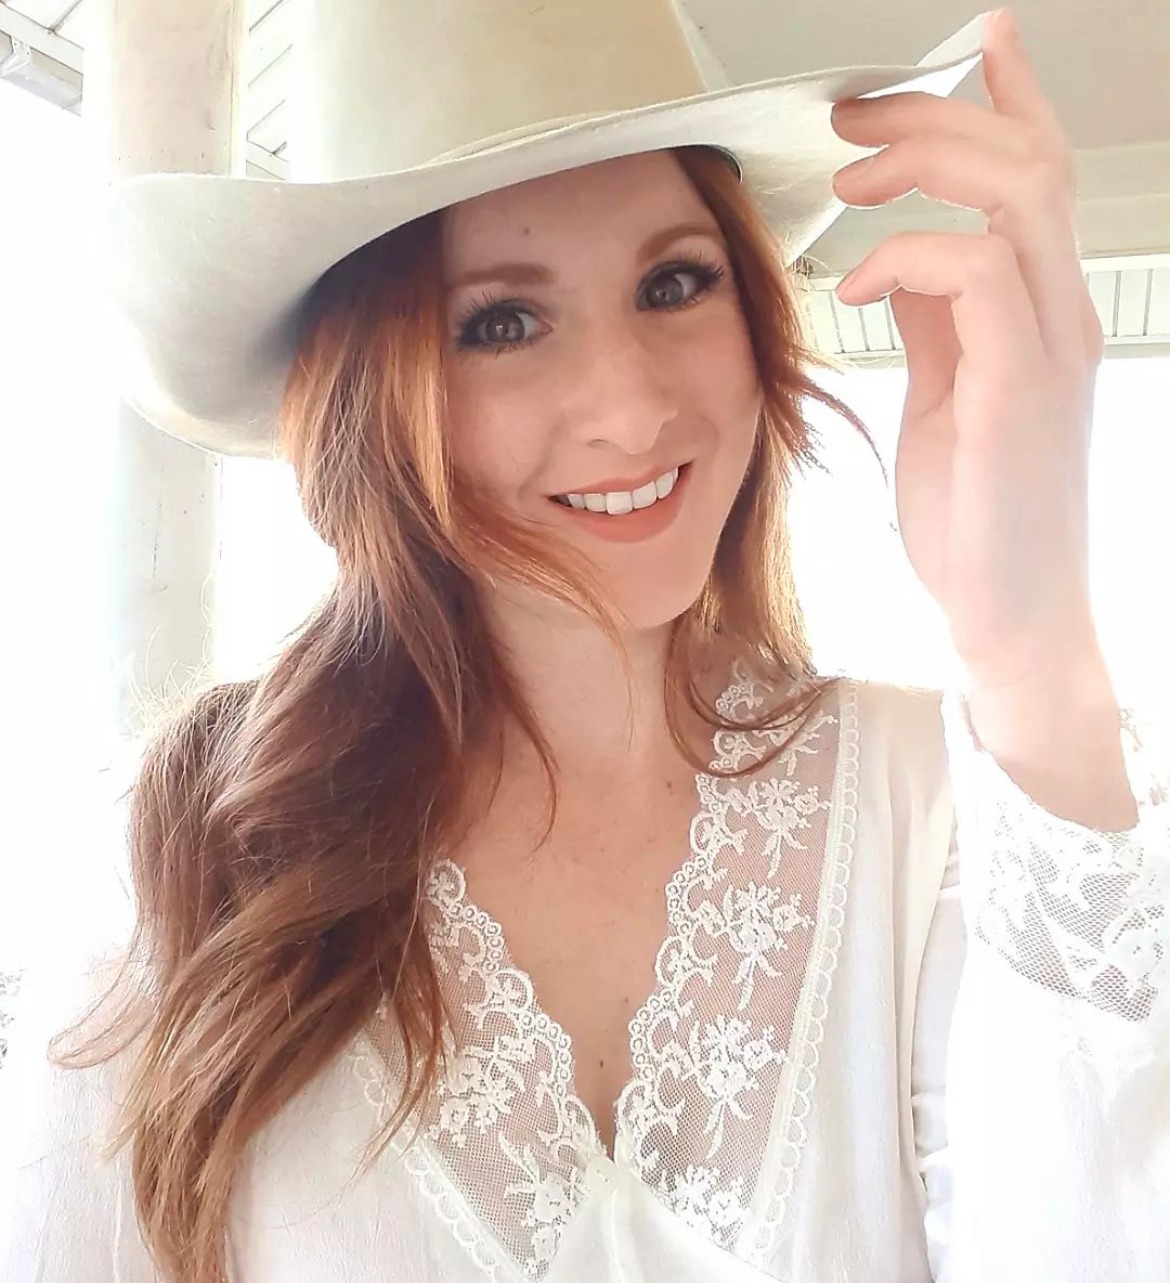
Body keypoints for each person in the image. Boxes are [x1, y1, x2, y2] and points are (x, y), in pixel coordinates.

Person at [2, 1, 1167, 1280]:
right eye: (500, 321)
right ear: (365, 397)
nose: (631, 406)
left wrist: (1028, 636)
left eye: (675, 282)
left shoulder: (938, 811)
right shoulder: (175, 859)